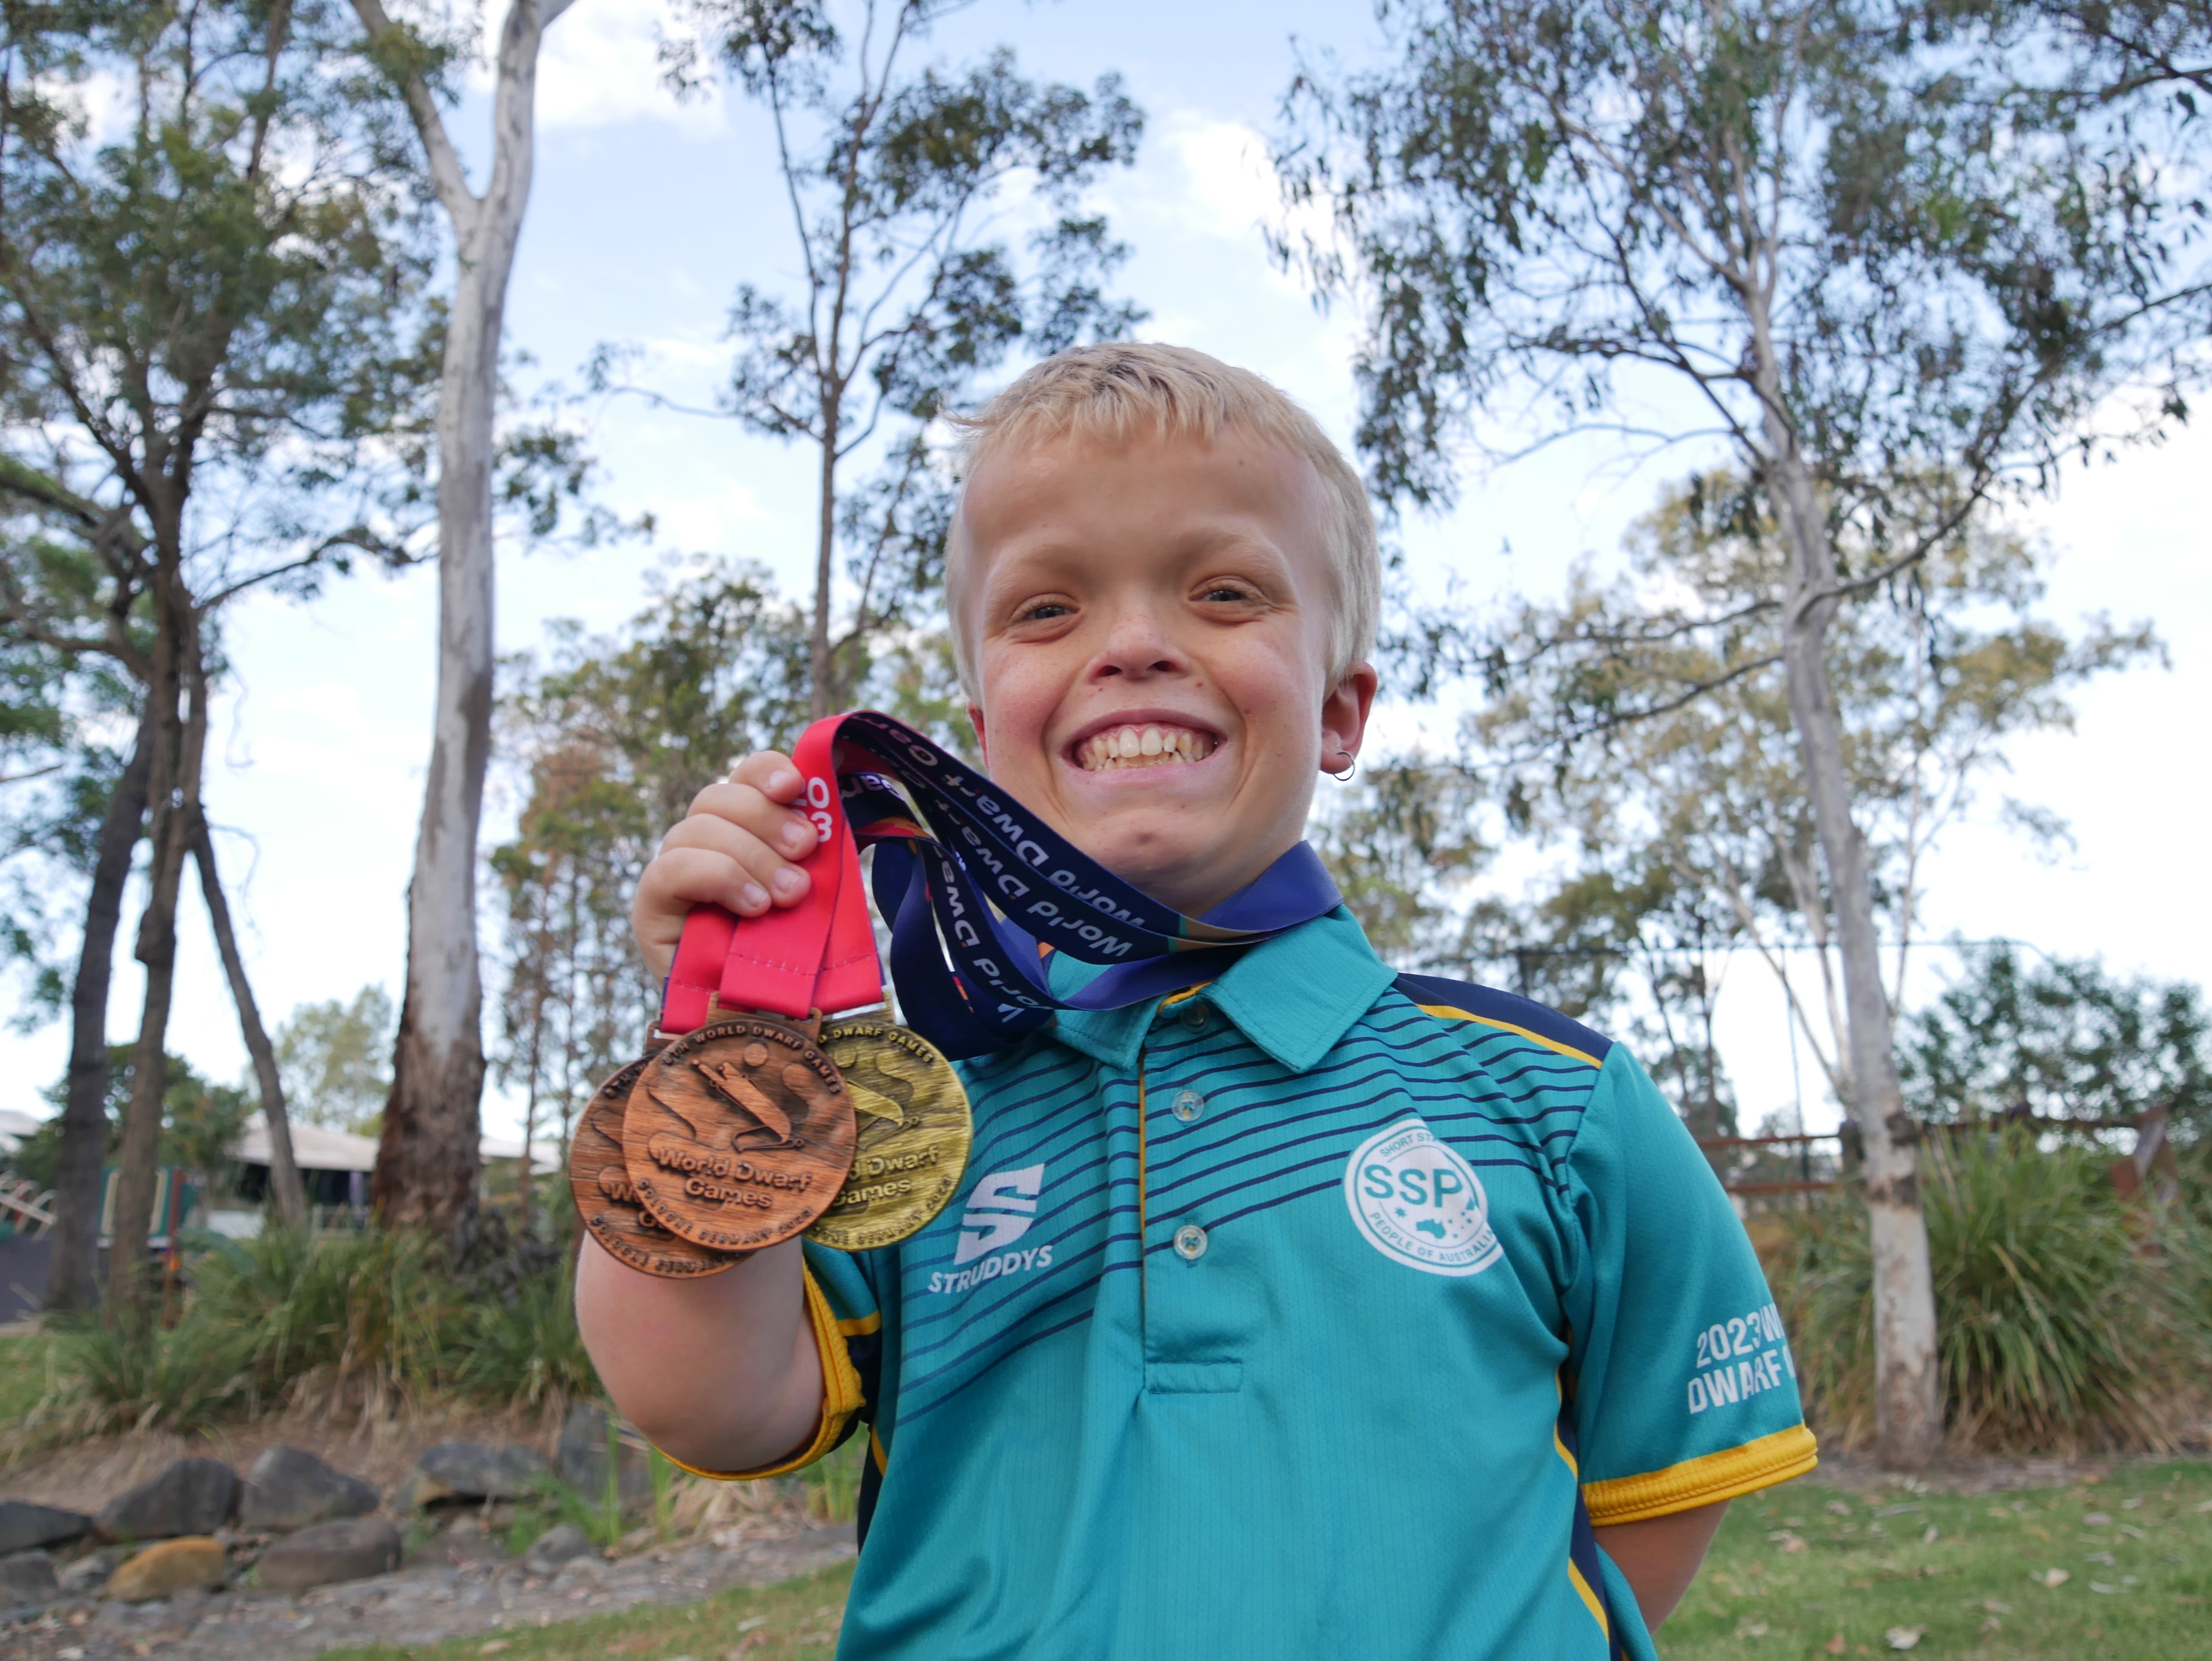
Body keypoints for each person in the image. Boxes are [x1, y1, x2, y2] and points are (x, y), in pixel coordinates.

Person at [581, 343, 1816, 1660]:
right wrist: (724, 1050)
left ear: (1341, 714)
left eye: (1223, 592)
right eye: (1048, 610)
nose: (1134, 646)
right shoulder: (898, 1114)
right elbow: (708, 1404)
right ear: (983, 735)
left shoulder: (1550, 1098)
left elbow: (1645, 1508)